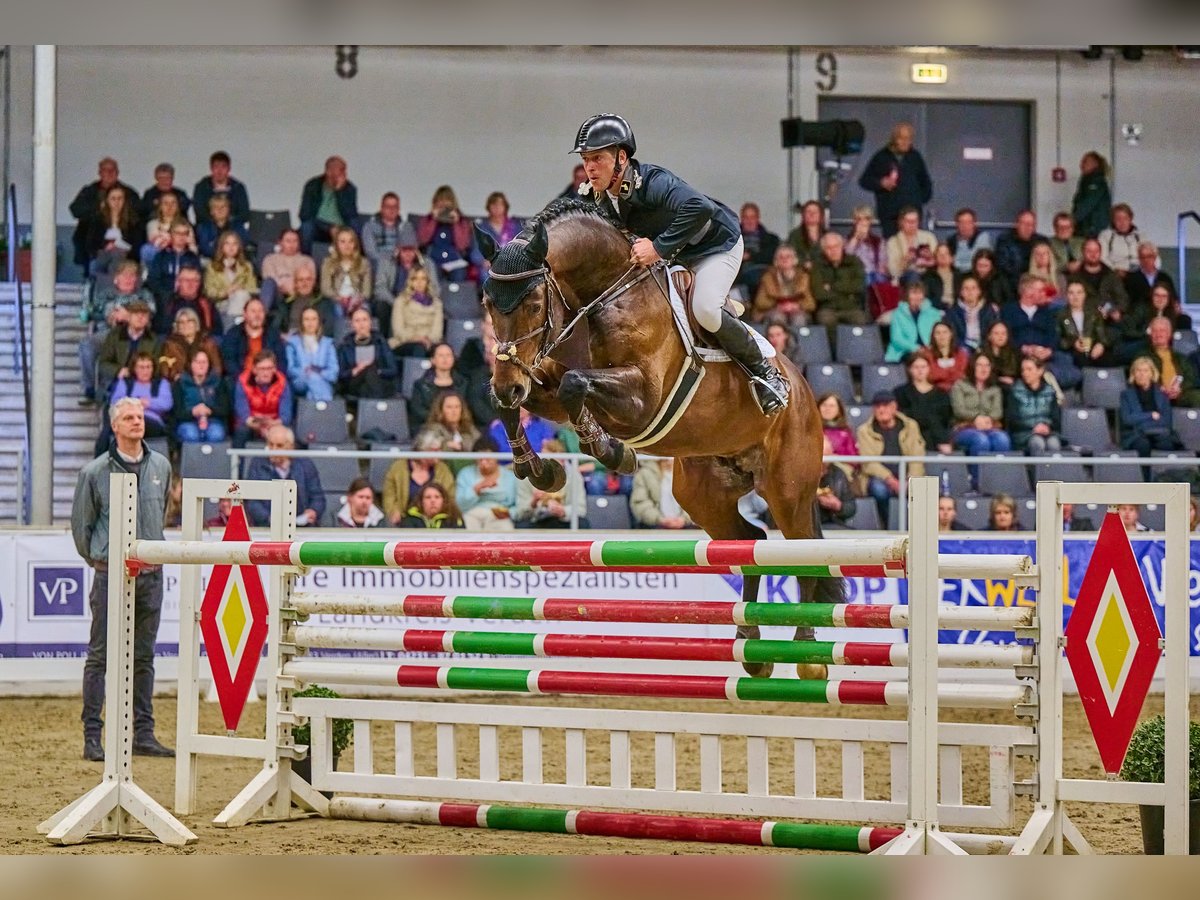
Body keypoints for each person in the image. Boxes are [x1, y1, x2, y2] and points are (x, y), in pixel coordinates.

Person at [571, 113, 789, 414]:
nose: (590, 168)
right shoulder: (599, 197)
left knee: (705, 310)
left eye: (597, 158)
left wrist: (658, 248)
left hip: (716, 247)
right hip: (678, 255)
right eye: (585, 159)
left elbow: (700, 207)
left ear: (621, 157)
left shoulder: (653, 182)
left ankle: (764, 373)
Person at [71, 396, 174, 761]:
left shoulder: (161, 465)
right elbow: (81, 530)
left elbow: (161, 511)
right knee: (99, 656)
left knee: (144, 657)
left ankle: (142, 733)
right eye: (128, 417)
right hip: (110, 574)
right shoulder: (94, 473)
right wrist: (103, 560)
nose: (136, 422)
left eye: (140, 416)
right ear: (114, 426)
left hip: (150, 575)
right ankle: (92, 736)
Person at [80, 262, 156, 406]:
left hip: (137, 332)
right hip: (108, 331)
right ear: (116, 279)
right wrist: (110, 314)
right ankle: (89, 389)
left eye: (132, 276)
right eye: (124, 275)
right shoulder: (106, 295)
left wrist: (128, 316)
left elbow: (151, 312)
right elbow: (91, 312)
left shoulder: (144, 295)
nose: (128, 279)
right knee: (87, 344)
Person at [854, 390, 926, 522]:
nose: (881, 410)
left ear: (894, 407)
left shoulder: (910, 426)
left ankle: (917, 528)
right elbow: (868, 463)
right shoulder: (864, 431)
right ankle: (888, 526)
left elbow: (917, 455)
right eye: (878, 406)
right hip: (881, 478)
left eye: (886, 405)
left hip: (907, 475)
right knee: (879, 490)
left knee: (923, 489)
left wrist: (910, 480)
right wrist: (891, 480)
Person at [1001, 274, 1080, 391]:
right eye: (1041, 290)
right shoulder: (1008, 311)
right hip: (1017, 355)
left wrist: (1048, 350)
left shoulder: (1047, 312)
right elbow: (1004, 336)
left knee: (1072, 370)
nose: (1044, 294)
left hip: (1044, 356)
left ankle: (1043, 375)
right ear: (1028, 291)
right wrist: (1023, 348)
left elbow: (1054, 336)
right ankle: (1042, 377)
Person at [857, 122, 933, 238]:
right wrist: (881, 183)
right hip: (890, 216)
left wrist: (917, 200)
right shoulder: (881, 156)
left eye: (909, 139)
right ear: (894, 139)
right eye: (902, 138)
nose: (905, 142)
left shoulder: (915, 157)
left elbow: (926, 183)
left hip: (912, 214)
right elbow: (864, 181)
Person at [243, 424, 324, 527]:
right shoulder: (257, 464)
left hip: (303, 526)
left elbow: (318, 497)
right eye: (270, 445)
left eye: (279, 445)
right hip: (268, 527)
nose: (274, 450)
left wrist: (313, 510)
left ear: (290, 446)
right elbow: (252, 501)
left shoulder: (306, 465)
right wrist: (269, 518)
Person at [69, 157, 139, 270]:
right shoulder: (89, 191)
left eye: (112, 170)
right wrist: (99, 209)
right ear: (100, 173)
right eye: (105, 170)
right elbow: (75, 210)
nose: (109, 173)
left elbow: (137, 214)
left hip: (124, 239)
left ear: (117, 173)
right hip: (94, 236)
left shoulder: (129, 192)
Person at [96, 299, 162, 404]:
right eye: (136, 314)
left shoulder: (153, 340)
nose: (140, 318)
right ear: (129, 317)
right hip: (117, 381)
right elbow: (103, 363)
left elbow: (157, 366)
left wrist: (142, 373)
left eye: (144, 315)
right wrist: (118, 371)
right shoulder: (115, 336)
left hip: (142, 384)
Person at [382, 432, 456, 525]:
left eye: (440, 449)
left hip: (434, 521)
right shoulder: (398, 468)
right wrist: (393, 511)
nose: (439, 453)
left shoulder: (443, 470)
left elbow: (449, 497)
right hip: (403, 520)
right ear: (423, 450)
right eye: (435, 450)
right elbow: (389, 495)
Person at [417, 184, 486, 284]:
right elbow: (423, 240)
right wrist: (433, 220)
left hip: (455, 261)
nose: (444, 205)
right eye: (440, 201)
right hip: (434, 260)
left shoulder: (461, 221)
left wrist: (456, 223)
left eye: (447, 201)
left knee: (459, 274)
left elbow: (462, 245)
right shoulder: (427, 219)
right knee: (433, 275)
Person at [1119, 356, 1183, 461]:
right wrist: (1151, 415)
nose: (1141, 374)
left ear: (1152, 373)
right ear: (1133, 374)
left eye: (1145, 371)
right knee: (1143, 445)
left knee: (1165, 443)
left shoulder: (1162, 394)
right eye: (1138, 371)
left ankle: (1165, 476)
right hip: (1136, 435)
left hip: (1159, 432)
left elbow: (1166, 421)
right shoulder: (1126, 395)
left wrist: (1142, 422)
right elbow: (1127, 419)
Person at [514, 439, 587, 529]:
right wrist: (533, 503)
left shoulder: (574, 476)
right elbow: (520, 512)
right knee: (522, 525)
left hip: (563, 520)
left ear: (563, 461)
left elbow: (580, 509)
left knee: (582, 524)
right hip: (536, 520)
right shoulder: (526, 477)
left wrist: (564, 511)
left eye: (556, 464)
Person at [951, 353, 1011, 456]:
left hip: (989, 426)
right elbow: (959, 410)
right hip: (964, 427)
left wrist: (986, 420)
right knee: (981, 440)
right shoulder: (960, 386)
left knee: (1002, 439)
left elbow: (997, 412)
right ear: (972, 367)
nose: (984, 369)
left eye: (987, 365)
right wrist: (975, 418)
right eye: (980, 365)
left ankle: (996, 472)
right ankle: (975, 473)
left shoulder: (995, 389)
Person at [810, 232, 869, 338]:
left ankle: (856, 353)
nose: (833, 251)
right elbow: (819, 293)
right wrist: (847, 292)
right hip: (828, 308)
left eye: (836, 246)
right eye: (828, 248)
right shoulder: (818, 266)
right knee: (826, 320)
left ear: (842, 246)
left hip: (851, 307)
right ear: (823, 250)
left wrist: (831, 287)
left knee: (860, 319)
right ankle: (833, 353)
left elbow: (859, 286)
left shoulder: (854, 262)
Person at [107, 351, 174, 443]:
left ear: (153, 368)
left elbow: (167, 403)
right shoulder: (126, 383)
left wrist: (148, 403)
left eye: (148, 367)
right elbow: (115, 402)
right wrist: (135, 404)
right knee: (109, 429)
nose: (145, 371)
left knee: (138, 422)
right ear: (134, 369)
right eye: (141, 367)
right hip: (127, 419)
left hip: (153, 422)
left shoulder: (161, 383)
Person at [232, 350, 294, 448]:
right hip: (252, 423)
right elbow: (243, 413)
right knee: (241, 432)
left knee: (290, 434)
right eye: (262, 369)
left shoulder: (283, 383)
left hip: (275, 422)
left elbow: (285, 416)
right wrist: (259, 426)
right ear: (254, 369)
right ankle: (238, 463)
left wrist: (272, 425)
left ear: (274, 369)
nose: (266, 373)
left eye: (269, 368)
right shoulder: (242, 381)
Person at [455, 436, 517, 531]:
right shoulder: (465, 474)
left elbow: (517, 503)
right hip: (472, 514)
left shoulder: (509, 476)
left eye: (488, 459)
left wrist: (509, 512)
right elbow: (460, 504)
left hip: (499, 516)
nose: (484, 463)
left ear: (496, 457)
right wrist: (477, 488)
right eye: (480, 459)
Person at [337, 307, 398, 403]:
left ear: (370, 322)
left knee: (368, 379)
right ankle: (377, 408)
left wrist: (378, 371)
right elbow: (340, 374)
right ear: (352, 324)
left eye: (364, 320)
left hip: (378, 381)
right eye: (357, 321)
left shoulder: (381, 342)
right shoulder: (345, 345)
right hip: (354, 383)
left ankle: (368, 411)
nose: (361, 324)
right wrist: (356, 370)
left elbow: (393, 370)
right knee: (368, 370)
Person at [1136, 317, 1200, 407]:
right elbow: (1139, 377)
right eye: (1155, 331)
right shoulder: (1142, 356)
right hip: (1155, 394)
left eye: (1162, 330)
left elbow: (1191, 378)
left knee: (1197, 396)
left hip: (1179, 394)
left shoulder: (1180, 357)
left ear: (1169, 334)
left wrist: (1179, 388)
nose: (1158, 334)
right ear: (1150, 335)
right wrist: (1159, 388)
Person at [298, 155, 358, 253]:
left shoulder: (350, 189)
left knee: (356, 225)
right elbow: (304, 215)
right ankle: (307, 261)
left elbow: (350, 214)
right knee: (306, 227)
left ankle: (355, 263)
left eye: (344, 171)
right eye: (341, 171)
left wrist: (340, 192)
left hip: (342, 228)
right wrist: (328, 227)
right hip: (318, 227)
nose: (344, 174)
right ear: (328, 172)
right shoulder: (313, 186)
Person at [895, 354, 953, 454]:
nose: (920, 370)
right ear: (909, 369)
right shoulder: (900, 393)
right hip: (910, 436)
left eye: (923, 367)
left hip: (937, 437)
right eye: (916, 367)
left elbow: (946, 420)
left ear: (928, 369)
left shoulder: (941, 394)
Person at [204, 229, 259, 329]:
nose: (231, 247)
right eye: (227, 244)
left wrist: (240, 288)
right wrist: (227, 292)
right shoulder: (212, 267)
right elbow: (210, 292)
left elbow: (253, 289)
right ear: (222, 246)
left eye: (234, 244)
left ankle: (232, 332)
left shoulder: (246, 266)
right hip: (223, 304)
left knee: (240, 295)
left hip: (244, 302)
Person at [173, 348, 230, 444]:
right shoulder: (181, 383)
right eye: (197, 362)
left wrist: (209, 410)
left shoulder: (218, 382)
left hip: (213, 421)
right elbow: (177, 412)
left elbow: (225, 409)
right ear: (190, 364)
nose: (201, 365)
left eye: (204, 362)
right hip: (188, 421)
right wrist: (193, 412)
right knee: (191, 434)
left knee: (216, 434)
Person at [1007, 357, 1062, 455]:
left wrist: (1047, 427)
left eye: (1029, 369)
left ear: (1040, 371)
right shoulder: (1015, 391)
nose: (1025, 373)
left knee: (1054, 443)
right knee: (1037, 442)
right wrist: (1034, 428)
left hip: (1047, 432)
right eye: (1023, 370)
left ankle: (1054, 470)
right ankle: (1036, 471)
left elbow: (1056, 418)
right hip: (1024, 434)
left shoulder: (1050, 391)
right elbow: (1012, 420)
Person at [221, 297, 287, 378]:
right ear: (245, 314)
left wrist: (273, 377)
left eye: (260, 311)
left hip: (269, 378)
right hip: (241, 379)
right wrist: (244, 379)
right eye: (253, 311)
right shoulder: (233, 334)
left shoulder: (273, 334)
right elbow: (229, 362)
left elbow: (281, 361)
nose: (257, 315)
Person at [751, 244, 813, 328]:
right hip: (772, 311)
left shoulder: (803, 277)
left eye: (788, 257)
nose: (785, 260)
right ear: (776, 261)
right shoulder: (768, 277)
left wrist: (796, 306)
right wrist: (778, 306)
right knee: (778, 317)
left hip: (797, 311)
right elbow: (760, 302)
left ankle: (795, 341)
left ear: (795, 260)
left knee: (799, 318)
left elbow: (810, 304)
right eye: (781, 257)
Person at [285, 307, 340, 402]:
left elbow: (334, 372)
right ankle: (326, 412)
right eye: (306, 319)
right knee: (314, 379)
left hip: (323, 380)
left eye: (314, 319)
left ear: (319, 321)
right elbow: (290, 369)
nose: (310, 323)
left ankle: (313, 415)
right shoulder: (293, 343)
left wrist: (319, 373)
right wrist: (306, 373)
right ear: (301, 322)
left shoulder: (328, 343)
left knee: (312, 390)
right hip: (300, 380)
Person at [270, 263, 337, 339]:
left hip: (315, 340)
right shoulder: (286, 303)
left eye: (308, 279)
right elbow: (275, 326)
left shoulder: (325, 302)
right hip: (290, 340)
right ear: (295, 283)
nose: (305, 283)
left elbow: (328, 329)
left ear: (314, 282)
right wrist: (282, 336)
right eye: (301, 280)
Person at [145, 218, 202, 308]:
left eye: (185, 233)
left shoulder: (193, 258)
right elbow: (153, 280)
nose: (181, 237)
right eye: (178, 233)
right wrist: (166, 295)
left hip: (188, 300)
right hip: (164, 300)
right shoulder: (161, 256)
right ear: (171, 234)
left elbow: (198, 281)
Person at [884, 274, 941, 362]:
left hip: (930, 350)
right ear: (907, 295)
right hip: (905, 351)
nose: (917, 297)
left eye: (920, 293)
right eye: (914, 293)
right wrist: (916, 348)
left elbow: (939, 334)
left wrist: (932, 346)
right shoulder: (898, 314)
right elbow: (896, 338)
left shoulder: (934, 313)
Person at [154, 264, 222, 338]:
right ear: (178, 282)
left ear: (199, 283)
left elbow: (217, 330)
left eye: (195, 281)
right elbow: (161, 329)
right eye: (186, 280)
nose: (190, 284)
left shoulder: (207, 304)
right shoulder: (168, 302)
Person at [416, 392, 481, 470]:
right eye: (449, 407)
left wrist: (461, 445)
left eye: (457, 407)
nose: (454, 411)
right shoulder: (432, 428)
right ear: (440, 410)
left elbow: (481, 446)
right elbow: (424, 448)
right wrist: (446, 445)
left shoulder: (470, 429)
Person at [408, 341, 467, 426]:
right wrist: (440, 418)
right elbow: (418, 410)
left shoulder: (462, 383)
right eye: (441, 355)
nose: (445, 359)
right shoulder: (421, 385)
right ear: (433, 360)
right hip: (430, 426)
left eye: (448, 355)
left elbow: (465, 407)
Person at [84, 184, 142, 270]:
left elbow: (137, 245)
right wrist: (106, 246)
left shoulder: (133, 220)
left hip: (126, 257)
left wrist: (122, 249)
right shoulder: (98, 220)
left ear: (125, 200)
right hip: (103, 256)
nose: (117, 202)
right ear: (107, 200)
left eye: (120, 198)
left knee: (117, 256)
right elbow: (90, 245)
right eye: (113, 199)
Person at [389, 267, 444, 357]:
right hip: (405, 341)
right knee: (419, 348)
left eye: (423, 279)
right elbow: (398, 330)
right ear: (410, 281)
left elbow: (437, 331)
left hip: (429, 341)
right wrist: (416, 338)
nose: (419, 282)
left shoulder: (437, 303)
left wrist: (427, 339)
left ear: (427, 282)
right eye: (415, 279)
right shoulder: (401, 301)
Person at [158, 306, 223, 382]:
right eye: (181, 322)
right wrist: (175, 376)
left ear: (196, 323)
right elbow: (165, 368)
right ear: (177, 326)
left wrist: (206, 379)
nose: (185, 325)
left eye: (189, 321)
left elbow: (217, 368)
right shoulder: (169, 345)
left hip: (205, 382)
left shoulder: (208, 343)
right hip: (180, 383)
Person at [320, 226, 372, 317]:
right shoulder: (328, 262)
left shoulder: (364, 263)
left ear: (355, 244)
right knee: (337, 309)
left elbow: (367, 291)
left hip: (357, 300)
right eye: (343, 242)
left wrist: (357, 299)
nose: (347, 245)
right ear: (336, 244)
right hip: (335, 300)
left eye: (351, 241)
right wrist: (338, 298)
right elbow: (325, 288)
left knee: (364, 310)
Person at [1056, 280, 1109, 370]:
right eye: (1071, 293)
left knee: (1108, 360)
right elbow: (1057, 338)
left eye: (1079, 292)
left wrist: (1101, 345)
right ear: (1066, 296)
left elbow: (1102, 334)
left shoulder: (1094, 313)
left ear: (1085, 295)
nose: (1075, 297)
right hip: (1072, 350)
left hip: (1093, 347)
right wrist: (1073, 343)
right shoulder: (1060, 315)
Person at [260, 228, 315, 311]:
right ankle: (262, 313)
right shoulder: (270, 259)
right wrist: (285, 285)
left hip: (300, 295)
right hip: (277, 295)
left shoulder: (307, 261)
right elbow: (269, 278)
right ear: (280, 242)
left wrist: (294, 286)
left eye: (295, 241)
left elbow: (311, 281)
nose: (292, 244)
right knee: (268, 284)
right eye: (288, 241)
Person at [192, 151, 251, 229]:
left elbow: (244, 214)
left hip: (233, 229)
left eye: (223, 167)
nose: (219, 171)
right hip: (207, 229)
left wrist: (226, 222)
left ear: (229, 168)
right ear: (211, 168)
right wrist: (217, 223)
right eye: (216, 167)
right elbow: (200, 213)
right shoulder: (201, 187)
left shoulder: (238, 188)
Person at [734, 201, 780, 299]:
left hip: (764, 276)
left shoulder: (772, 239)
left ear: (758, 218)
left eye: (753, 217)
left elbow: (771, 256)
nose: (749, 221)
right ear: (741, 219)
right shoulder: (732, 239)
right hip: (740, 278)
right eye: (746, 217)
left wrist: (750, 256)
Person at [630, 457, 692, 529]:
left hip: (687, 528)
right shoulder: (644, 474)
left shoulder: (688, 473)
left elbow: (695, 502)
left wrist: (684, 519)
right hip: (654, 528)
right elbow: (640, 502)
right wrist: (659, 519)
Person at [943, 275, 999, 352]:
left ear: (979, 291)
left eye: (973, 288)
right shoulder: (952, 312)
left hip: (985, 347)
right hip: (962, 349)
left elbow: (993, 331)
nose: (970, 292)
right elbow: (952, 336)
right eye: (966, 288)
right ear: (961, 292)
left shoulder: (988, 310)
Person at [994, 210, 1048, 285]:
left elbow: (1049, 263)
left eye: (1031, 225)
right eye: (1025, 224)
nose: (1028, 228)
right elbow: (1003, 266)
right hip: (1012, 282)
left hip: (1037, 281)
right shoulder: (1005, 240)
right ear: (1017, 224)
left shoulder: (1041, 241)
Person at [885, 206, 937, 281]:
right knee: (913, 275)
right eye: (909, 221)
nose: (912, 225)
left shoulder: (929, 237)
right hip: (905, 277)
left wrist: (929, 258)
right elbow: (893, 271)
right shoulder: (893, 242)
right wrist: (905, 261)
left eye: (915, 221)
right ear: (901, 222)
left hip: (928, 274)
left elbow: (938, 261)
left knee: (931, 278)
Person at [1124, 242, 1179, 312]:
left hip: (1163, 311)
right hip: (1140, 314)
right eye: (1142, 257)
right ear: (1139, 259)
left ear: (1155, 257)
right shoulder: (1131, 278)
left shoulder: (1164, 277)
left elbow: (1174, 298)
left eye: (1149, 256)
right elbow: (1128, 301)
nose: (1146, 260)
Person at [817, 436, 856, 528]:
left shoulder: (838, 474)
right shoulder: (800, 476)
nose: (822, 467)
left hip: (833, 523)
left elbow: (851, 507)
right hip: (808, 526)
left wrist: (838, 506)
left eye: (826, 463)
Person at [919, 321, 970, 392]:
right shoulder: (927, 354)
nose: (941, 336)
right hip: (934, 391)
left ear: (951, 334)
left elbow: (962, 375)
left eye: (945, 332)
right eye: (938, 333)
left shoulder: (961, 354)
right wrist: (951, 373)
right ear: (933, 336)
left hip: (959, 390)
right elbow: (930, 375)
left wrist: (941, 375)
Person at [195, 194, 249, 261]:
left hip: (235, 260)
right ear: (211, 211)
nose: (220, 210)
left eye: (223, 206)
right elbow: (205, 248)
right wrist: (222, 256)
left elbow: (243, 244)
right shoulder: (204, 227)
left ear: (229, 209)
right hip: (211, 261)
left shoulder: (238, 226)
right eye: (216, 207)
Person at [1071, 151, 1112, 239]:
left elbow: (1087, 204)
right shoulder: (1087, 180)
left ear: (1095, 164)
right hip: (1086, 228)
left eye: (1085, 161)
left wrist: (1072, 220)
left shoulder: (1096, 181)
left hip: (1091, 230)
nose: (1081, 164)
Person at [140, 191, 187, 266]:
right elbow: (156, 243)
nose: (170, 206)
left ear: (178, 206)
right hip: (159, 257)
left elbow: (191, 244)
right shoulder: (152, 224)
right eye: (166, 203)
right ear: (160, 206)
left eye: (173, 203)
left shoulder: (185, 224)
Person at [844, 205, 888, 283]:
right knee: (867, 277)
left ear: (870, 221)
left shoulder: (878, 241)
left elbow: (882, 263)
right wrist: (856, 237)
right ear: (854, 221)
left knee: (879, 278)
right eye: (859, 219)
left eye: (867, 218)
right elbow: (846, 257)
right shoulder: (847, 241)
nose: (863, 222)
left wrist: (880, 271)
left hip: (875, 275)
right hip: (855, 276)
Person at [1098, 203, 1141, 275]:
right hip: (1115, 271)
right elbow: (1102, 258)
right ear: (1113, 221)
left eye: (1125, 218)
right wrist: (1115, 269)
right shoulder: (1105, 235)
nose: (1122, 222)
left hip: (1138, 271)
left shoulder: (1140, 236)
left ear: (1130, 219)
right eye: (1118, 219)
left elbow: (1153, 255)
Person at [818, 393, 859, 468]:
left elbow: (854, 460)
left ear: (839, 410)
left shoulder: (845, 432)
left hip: (840, 469)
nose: (827, 409)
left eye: (832, 406)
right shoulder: (811, 430)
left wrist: (834, 457)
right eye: (824, 405)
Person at [399, 482, 464, 529]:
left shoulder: (455, 520)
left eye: (437, 497)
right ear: (421, 502)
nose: (433, 501)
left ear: (444, 501)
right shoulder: (410, 520)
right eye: (428, 497)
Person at [946, 208, 991, 273]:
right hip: (955, 275)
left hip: (976, 275)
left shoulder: (982, 237)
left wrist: (955, 262)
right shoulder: (951, 240)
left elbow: (977, 264)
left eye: (968, 222)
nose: (965, 226)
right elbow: (946, 262)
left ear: (974, 224)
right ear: (956, 224)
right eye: (961, 222)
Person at [786, 200, 826, 269]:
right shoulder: (795, 235)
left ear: (821, 216)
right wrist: (803, 263)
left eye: (815, 212)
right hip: (800, 271)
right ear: (803, 215)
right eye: (808, 212)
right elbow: (790, 254)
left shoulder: (828, 235)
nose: (812, 214)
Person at [923, 244, 959, 310]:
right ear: (935, 258)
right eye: (940, 254)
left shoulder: (958, 275)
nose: (943, 256)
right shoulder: (928, 275)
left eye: (946, 253)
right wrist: (943, 305)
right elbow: (926, 298)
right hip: (936, 310)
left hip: (955, 310)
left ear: (952, 258)